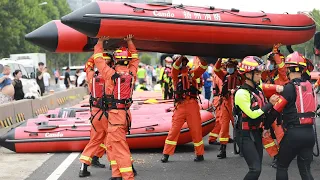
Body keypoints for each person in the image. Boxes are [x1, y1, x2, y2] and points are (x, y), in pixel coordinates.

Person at [93, 34, 139, 180]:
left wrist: (99, 43)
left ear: (115, 59)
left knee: (119, 147)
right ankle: (116, 175)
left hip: (116, 116)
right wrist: (130, 42)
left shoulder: (111, 74)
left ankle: (127, 176)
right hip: (125, 115)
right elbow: (136, 59)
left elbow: (98, 60)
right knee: (112, 144)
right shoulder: (132, 72)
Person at [270, 51, 316, 180]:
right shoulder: (309, 86)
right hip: (309, 134)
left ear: (288, 69)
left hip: (294, 133)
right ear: (302, 69)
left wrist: (266, 125)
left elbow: (276, 110)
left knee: (282, 166)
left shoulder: (289, 88)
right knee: (305, 169)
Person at [234, 56, 280, 180]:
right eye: (258, 73)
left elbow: (263, 111)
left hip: (256, 132)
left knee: (257, 168)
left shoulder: (257, 89)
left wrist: (266, 127)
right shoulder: (241, 93)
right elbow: (253, 114)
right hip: (244, 135)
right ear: (248, 75)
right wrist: (270, 103)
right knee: (255, 169)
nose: (261, 76)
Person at [161, 55, 208, 163]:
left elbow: (204, 66)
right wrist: (181, 55)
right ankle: (166, 154)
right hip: (180, 106)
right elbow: (175, 67)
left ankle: (200, 154)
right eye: (180, 62)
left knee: (196, 130)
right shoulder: (174, 73)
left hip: (192, 104)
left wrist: (198, 55)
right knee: (174, 131)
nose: (182, 63)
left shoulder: (192, 73)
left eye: (184, 61)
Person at [79, 53, 114, 178]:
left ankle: (83, 166)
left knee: (94, 141)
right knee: (112, 140)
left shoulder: (91, 76)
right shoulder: (110, 76)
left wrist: (96, 54)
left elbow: (88, 65)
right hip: (108, 114)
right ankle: (115, 165)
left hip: (94, 114)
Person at [213, 58, 242, 159]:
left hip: (236, 104)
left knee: (238, 126)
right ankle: (223, 149)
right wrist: (219, 59)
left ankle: (242, 147)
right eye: (228, 66)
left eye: (231, 66)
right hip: (225, 103)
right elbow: (216, 69)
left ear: (235, 67)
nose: (229, 68)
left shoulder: (240, 76)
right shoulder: (224, 75)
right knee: (224, 126)